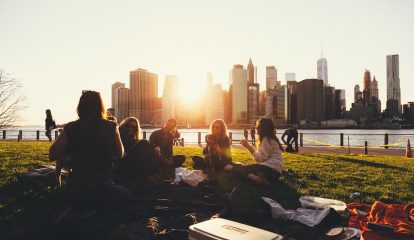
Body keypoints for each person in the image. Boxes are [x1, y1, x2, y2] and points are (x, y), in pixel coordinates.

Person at [49, 91, 133, 209]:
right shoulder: (111, 126)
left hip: (76, 190)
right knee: (128, 196)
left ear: (80, 107)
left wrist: (71, 148)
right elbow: (120, 154)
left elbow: (53, 154)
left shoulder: (71, 127)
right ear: (101, 107)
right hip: (104, 189)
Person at [225, 117, 284, 187]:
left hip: (269, 169)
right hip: (276, 173)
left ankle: (257, 179)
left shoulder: (266, 140)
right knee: (240, 166)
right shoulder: (271, 139)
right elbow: (262, 159)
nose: (256, 128)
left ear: (263, 128)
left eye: (258, 126)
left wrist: (248, 146)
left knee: (236, 169)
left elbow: (261, 159)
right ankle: (260, 178)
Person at [116, 117, 158, 186]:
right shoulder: (121, 134)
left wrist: (154, 148)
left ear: (136, 129)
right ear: (123, 125)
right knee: (144, 143)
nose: (130, 129)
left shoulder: (132, 139)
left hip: (129, 164)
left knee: (147, 147)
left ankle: (152, 175)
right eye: (128, 126)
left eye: (134, 127)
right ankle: (152, 175)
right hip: (121, 165)